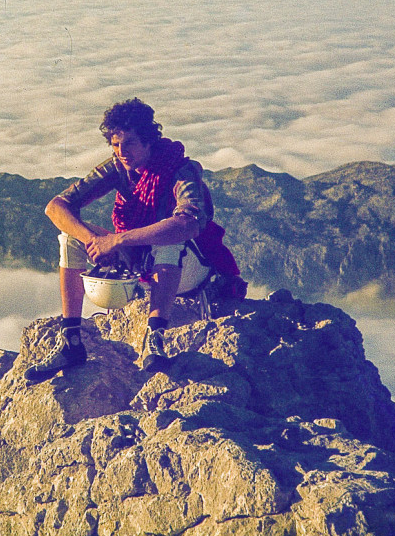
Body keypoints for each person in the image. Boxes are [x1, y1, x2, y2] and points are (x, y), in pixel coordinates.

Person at [25, 97, 241, 383]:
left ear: (149, 141)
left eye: (129, 143)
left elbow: (188, 222)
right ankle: (71, 342)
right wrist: (94, 240)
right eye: (114, 145)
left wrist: (118, 241)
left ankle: (155, 337)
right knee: (70, 239)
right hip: (140, 261)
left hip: (191, 267)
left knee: (169, 238)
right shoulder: (118, 168)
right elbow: (56, 206)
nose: (121, 152)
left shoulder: (178, 170)